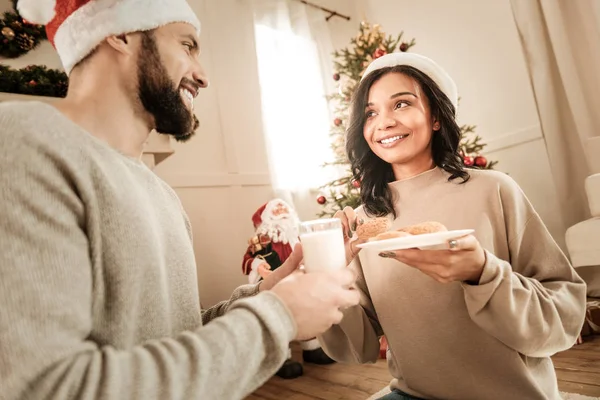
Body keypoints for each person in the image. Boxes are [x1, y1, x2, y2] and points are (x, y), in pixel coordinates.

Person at [0, 1, 360, 399]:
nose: (203, 76)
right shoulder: (24, 143)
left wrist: (270, 294)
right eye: (187, 46)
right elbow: (46, 388)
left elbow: (177, 335)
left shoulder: (160, 193)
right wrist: (279, 317)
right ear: (120, 34)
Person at [317, 52, 587, 400]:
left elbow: (562, 315)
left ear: (435, 118)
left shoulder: (494, 189)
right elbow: (360, 346)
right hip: (413, 394)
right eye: (371, 112)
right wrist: (329, 272)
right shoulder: (366, 220)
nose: (383, 122)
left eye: (401, 104)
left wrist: (483, 273)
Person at [242, 199, 336, 379]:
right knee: (276, 317)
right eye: (276, 209)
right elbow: (249, 258)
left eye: (283, 208)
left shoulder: (298, 236)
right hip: (273, 285)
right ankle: (281, 358)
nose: (281, 211)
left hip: (298, 281)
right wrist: (259, 266)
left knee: (305, 312)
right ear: (266, 217)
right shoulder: (261, 241)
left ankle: (312, 349)